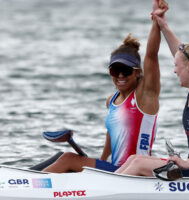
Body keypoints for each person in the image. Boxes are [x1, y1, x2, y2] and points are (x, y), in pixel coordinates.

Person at [115, 0, 189, 177]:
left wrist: (187, 163)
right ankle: (101, 185)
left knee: (139, 163)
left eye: (176, 66)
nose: (174, 70)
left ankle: (103, 190)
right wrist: (163, 25)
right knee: (134, 159)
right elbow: (181, 53)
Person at [43, 1, 164, 173]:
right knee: (62, 157)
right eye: (115, 70)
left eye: (126, 70)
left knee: (67, 159)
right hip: (116, 170)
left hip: (136, 174)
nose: (120, 76)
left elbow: (151, 56)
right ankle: (28, 179)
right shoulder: (111, 101)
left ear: (138, 72)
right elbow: (111, 134)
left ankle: (26, 188)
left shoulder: (145, 97)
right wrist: (101, 160)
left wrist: (156, 22)